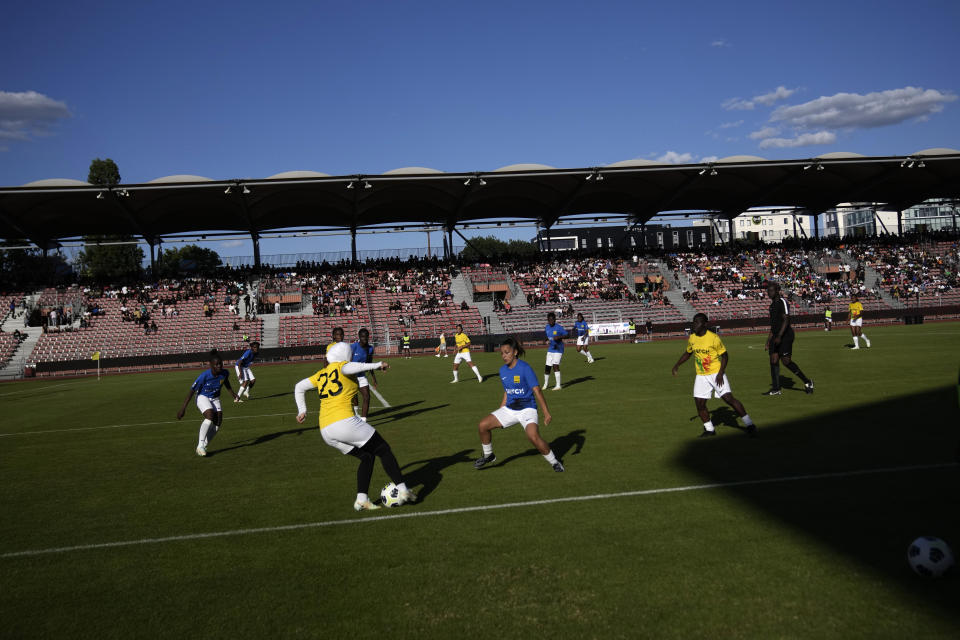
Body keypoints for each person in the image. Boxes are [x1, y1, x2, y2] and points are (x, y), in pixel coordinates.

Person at [294, 342, 416, 511]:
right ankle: (403, 490)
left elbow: (299, 387)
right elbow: (352, 368)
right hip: (344, 422)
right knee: (383, 449)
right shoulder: (343, 367)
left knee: (367, 457)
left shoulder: (322, 373)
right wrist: (378, 365)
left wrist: (302, 411)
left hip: (325, 430)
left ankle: (361, 499)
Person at [473, 337, 564, 472]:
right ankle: (489, 455)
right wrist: (501, 410)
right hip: (510, 409)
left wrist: (546, 413)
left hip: (527, 409)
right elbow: (507, 392)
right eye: (502, 353)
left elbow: (537, 391)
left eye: (507, 352)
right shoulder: (502, 370)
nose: (504, 356)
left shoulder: (525, 368)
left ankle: (555, 462)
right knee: (483, 426)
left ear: (515, 352)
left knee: (533, 436)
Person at [672, 313, 757, 438]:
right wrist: (677, 364)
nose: (694, 324)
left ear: (705, 324)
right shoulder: (692, 338)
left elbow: (725, 356)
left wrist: (721, 373)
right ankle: (710, 429)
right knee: (699, 403)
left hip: (716, 373)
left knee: (728, 399)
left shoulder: (713, 338)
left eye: (697, 322)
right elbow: (688, 353)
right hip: (701, 375)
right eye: (694, 322)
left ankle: (749, 424)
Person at [176, 350, 240, 456]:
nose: (220, 366)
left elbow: (225, 382)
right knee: (210, 415)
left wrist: (233, 394)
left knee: (218, 422)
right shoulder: (204, 376)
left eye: (221, 363)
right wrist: (183, 408)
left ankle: (204, 445)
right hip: (202, 397)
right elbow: (192, 391)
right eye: (217, 364)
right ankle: (200, 445)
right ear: (211, 365)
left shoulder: (224, 373)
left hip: (215, 398)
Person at [765, 283, 814, 396]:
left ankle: (807, 382)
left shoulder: (783, 302)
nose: (769, 293)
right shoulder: (772, 306)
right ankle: (776, 388)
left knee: (786, 361)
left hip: (785, 335)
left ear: (777, 291)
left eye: (771, 291)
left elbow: (787, 320)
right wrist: (768, 341)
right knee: (773, 360)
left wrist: (780, 336)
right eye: (768, 291)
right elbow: (773, 326)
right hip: (776, 336)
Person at [351, 329, 378, 420]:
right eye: (362, 336)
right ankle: (355, 414)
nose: (364, 338)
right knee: (354, 396)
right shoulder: (353, 347)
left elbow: (369, 364)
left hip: (361, 376)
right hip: (351, 376)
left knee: (367, 396)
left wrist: (374, 378)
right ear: (359, 337)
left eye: (366, 336)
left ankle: (363, 420)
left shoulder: (370, 349)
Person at [544, 312, 567, 390]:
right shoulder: (546, 327)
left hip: (558, 349)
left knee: (555, 365)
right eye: (549, 320)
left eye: (552, 320)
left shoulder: (559, 327)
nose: (550, 321)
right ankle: (546, 384)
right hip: (550, 349)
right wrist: (545, 341)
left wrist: (559, 337)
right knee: (547, 367)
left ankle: (558, 385)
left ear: (555, 319)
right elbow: (547, 337)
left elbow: (567, 335)